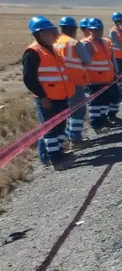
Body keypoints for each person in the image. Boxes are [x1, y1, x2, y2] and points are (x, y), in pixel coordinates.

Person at [21, 16, 76, 169]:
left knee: (59, 127)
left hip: (60, 96)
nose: (55, 34)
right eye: (51, 32)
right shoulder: (33, 53)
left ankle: (59, 153)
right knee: (51, 129)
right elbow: (28, 79)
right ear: (41, 34)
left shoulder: (52, 50)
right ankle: (55, 160)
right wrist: (42, 96)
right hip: (48, 99)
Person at [53, 16, 92, 147]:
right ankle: (75, 139)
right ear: (74, 30)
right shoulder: (74, 43)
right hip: (75, 82)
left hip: (57, 84)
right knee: (77, 111)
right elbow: (87, 61)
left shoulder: (53, 43)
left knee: (62, 113)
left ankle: (62, 143)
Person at [80, 18, 122, 130]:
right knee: (95, 104)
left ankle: (104, 121)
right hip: (94, 81)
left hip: (108, 79)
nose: (98, 32)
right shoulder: (87, 44)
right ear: (89, 30)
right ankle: (96, 125)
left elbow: (112, 59)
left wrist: (116, 72)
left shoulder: (106, 42)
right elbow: (83, 64)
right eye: (95, 30)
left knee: (105, 102)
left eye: (100, 29)